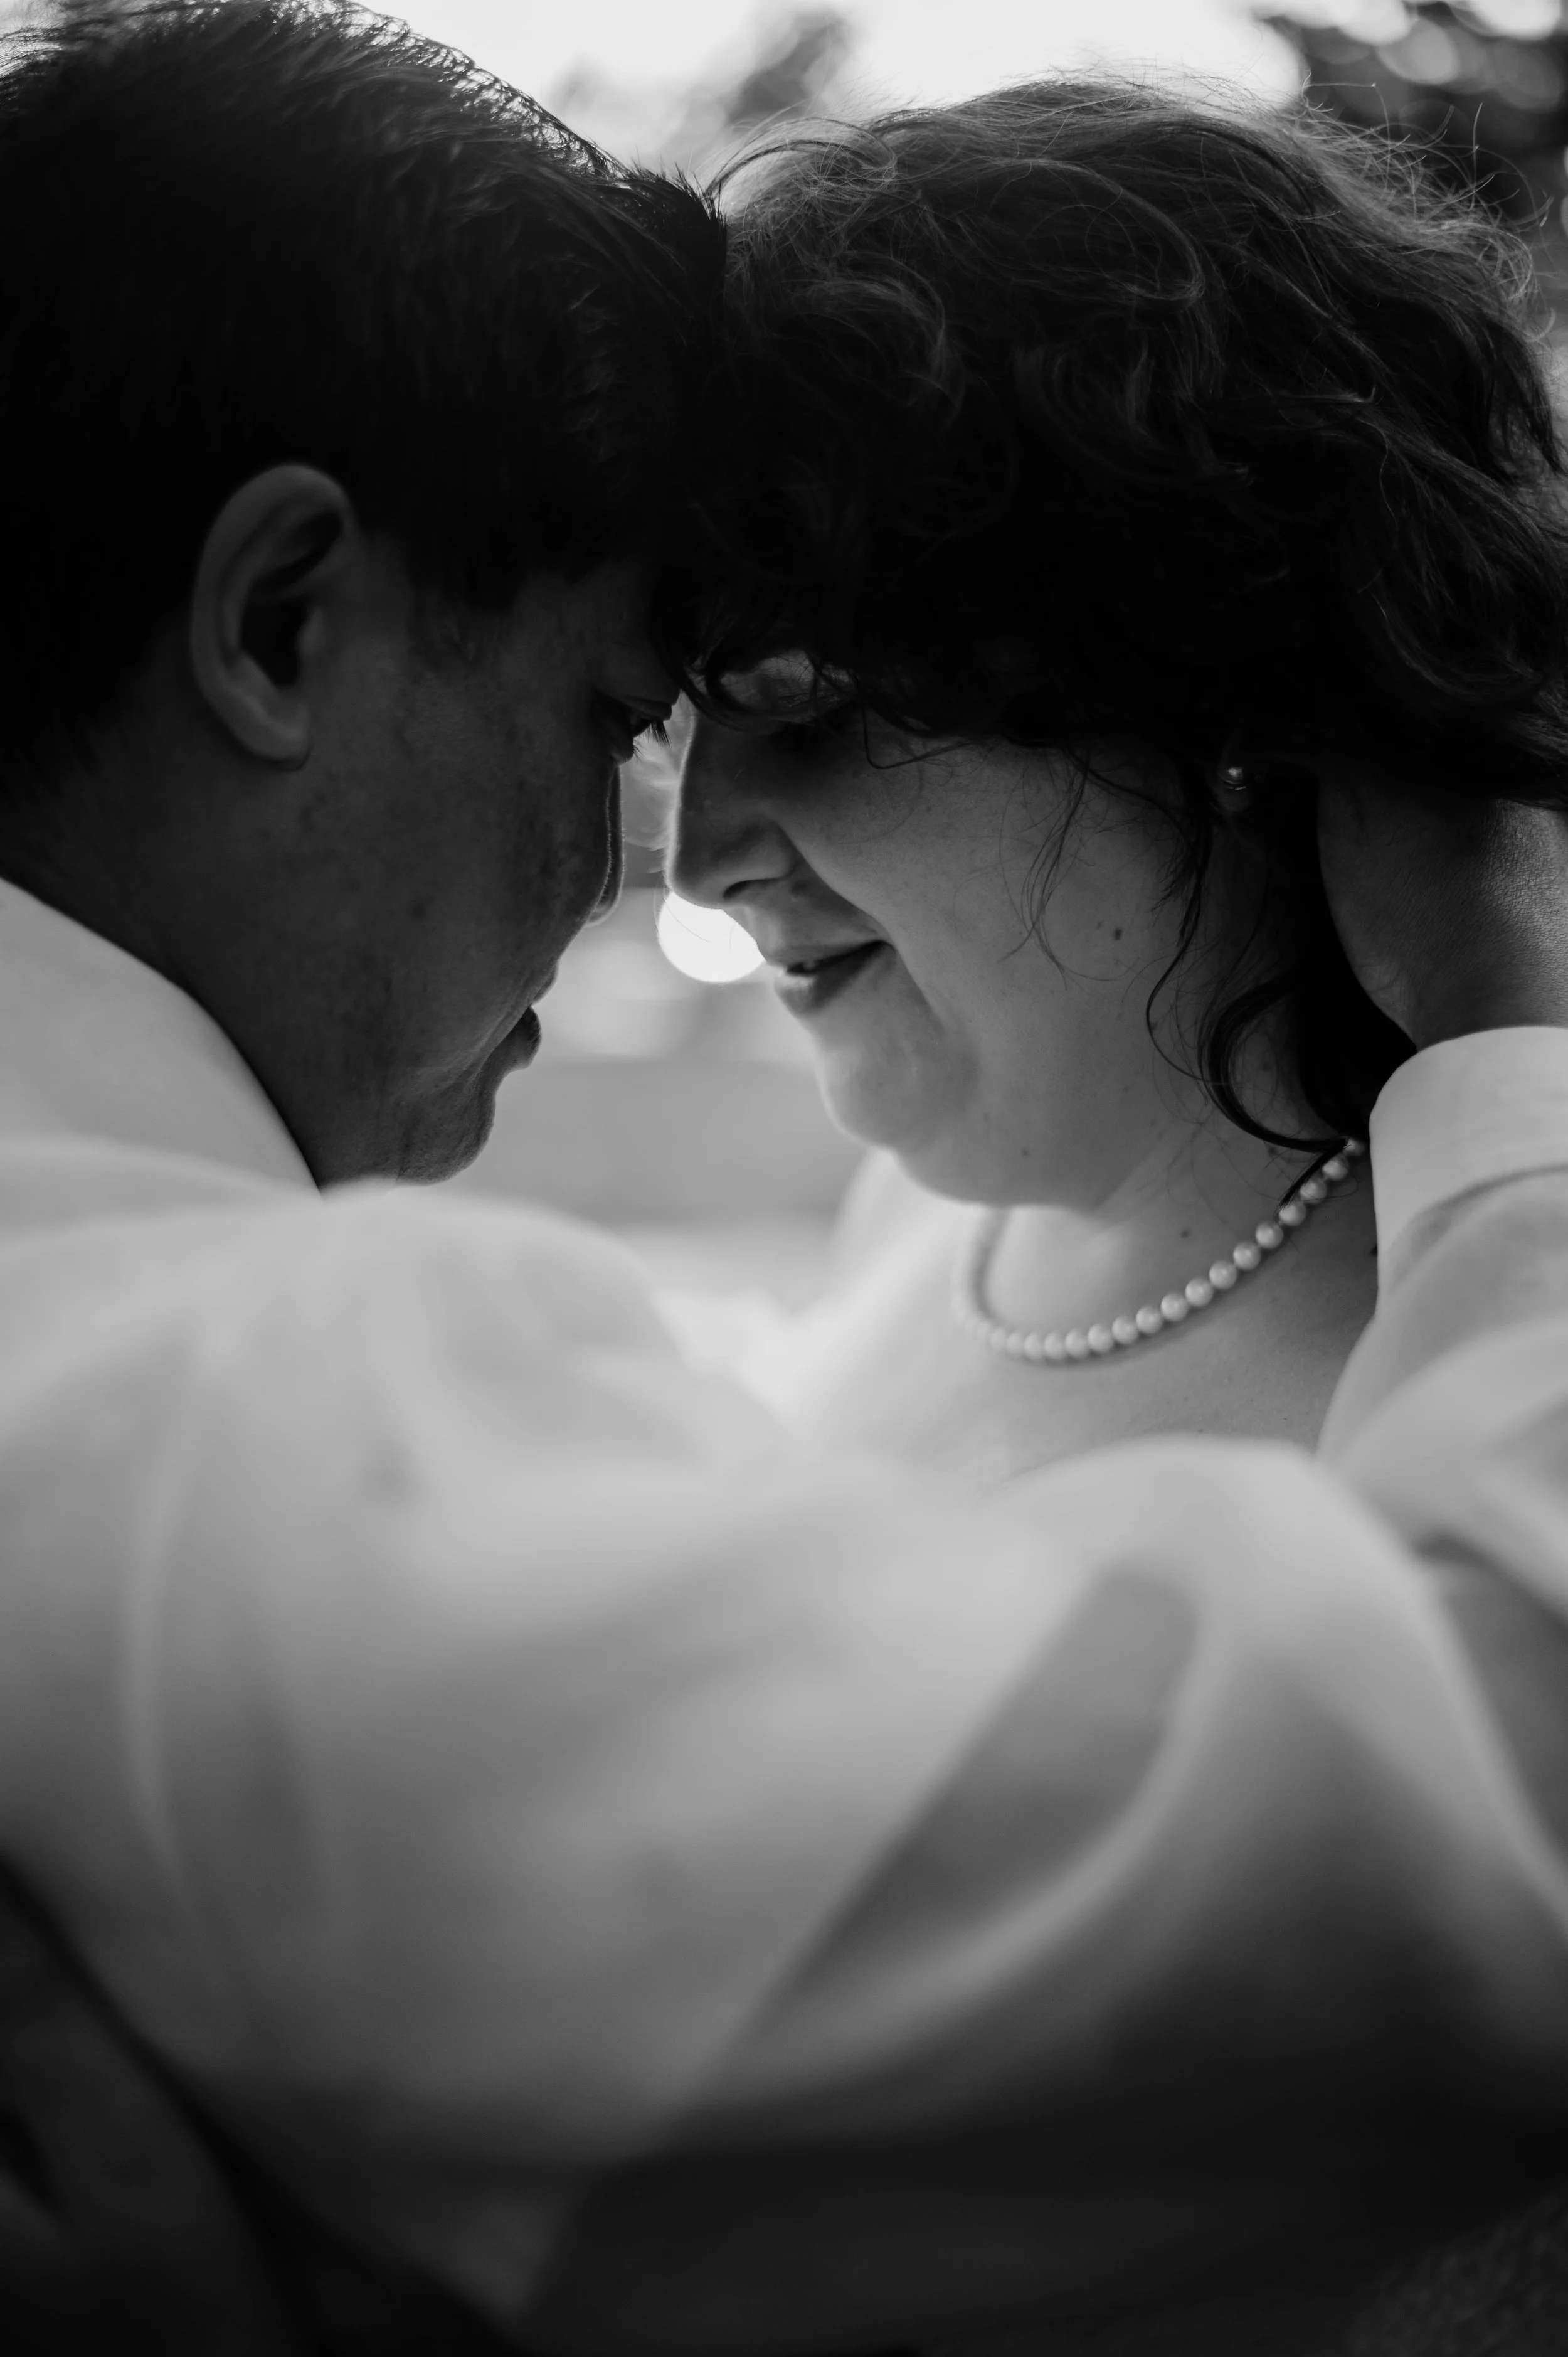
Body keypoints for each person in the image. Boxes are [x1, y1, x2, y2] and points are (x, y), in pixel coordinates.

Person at [4, 8, 1568, 2354]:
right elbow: (1453, 1859)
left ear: (1240, 701)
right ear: (274, 624)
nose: (692, 867)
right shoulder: (238, 1387)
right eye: (635, 707)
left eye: (808, 688)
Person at [665, 80, 1568, 1483]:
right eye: (667, 722)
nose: (695, 860)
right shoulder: (916, 1228)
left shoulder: (1490, 1377)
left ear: (1197, 671)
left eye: (796, 700)